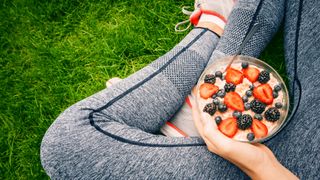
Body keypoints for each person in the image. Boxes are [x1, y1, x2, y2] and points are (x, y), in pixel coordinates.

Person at [40, 0, 320, 179]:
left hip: (291, 165)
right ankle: (199, 103)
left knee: (67, 145)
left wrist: (261, 166)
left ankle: (212, 25)